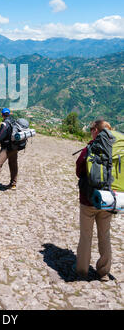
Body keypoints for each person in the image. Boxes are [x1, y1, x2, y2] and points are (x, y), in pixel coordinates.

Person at [74, 118, 113, 281]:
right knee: (105, 235)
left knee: (86, 236)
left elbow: (79, 170)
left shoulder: (90, 148)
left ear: (96, 131)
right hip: (109, 199)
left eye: (92, 129)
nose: (91, 132)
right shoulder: (116, 148)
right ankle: (103, 272)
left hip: (89, 200)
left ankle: (82, 271)